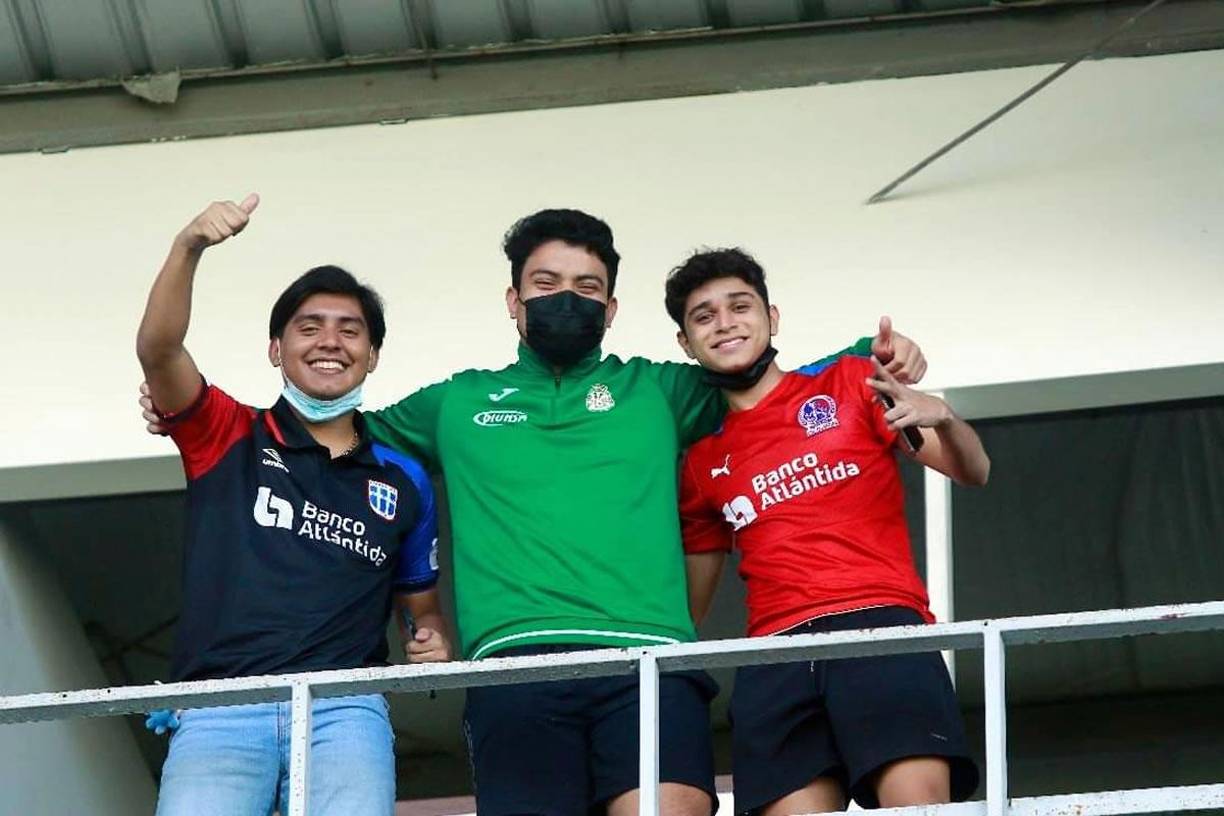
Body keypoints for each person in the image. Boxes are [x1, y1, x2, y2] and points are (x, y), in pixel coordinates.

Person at [145, 208, 926, 816]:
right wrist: (182, 413)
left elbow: (771, 383)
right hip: (514, 669)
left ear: (611, 308)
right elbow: (331, 435)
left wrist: (872, 357)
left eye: (586, 288)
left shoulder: (658, 389)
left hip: (649, 661)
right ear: (513, 301)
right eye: (546, 284)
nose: (565, 299)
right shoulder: (456, 403)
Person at [136, 195, 450, 816]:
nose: (330, 342)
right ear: (276, 349)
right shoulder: (227, 432)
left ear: (373, 356)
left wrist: (433, 642)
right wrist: (188, 246)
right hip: (221, 705)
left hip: (346, 709)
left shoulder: (404, 479)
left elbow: (423, 613)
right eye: (309, 328)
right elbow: (159, 351)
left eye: (350, 330)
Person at [666, 248, 988, 815]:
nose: (725, 323)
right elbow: (691, 603)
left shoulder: (851, 381)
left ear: (772, 317)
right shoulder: (700, 459)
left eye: (740, 306)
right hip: (774, 652)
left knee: (918, 807)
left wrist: (944, 417)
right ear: (686, 343)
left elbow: (973, 471)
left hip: (879, 625)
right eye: (704, 316)